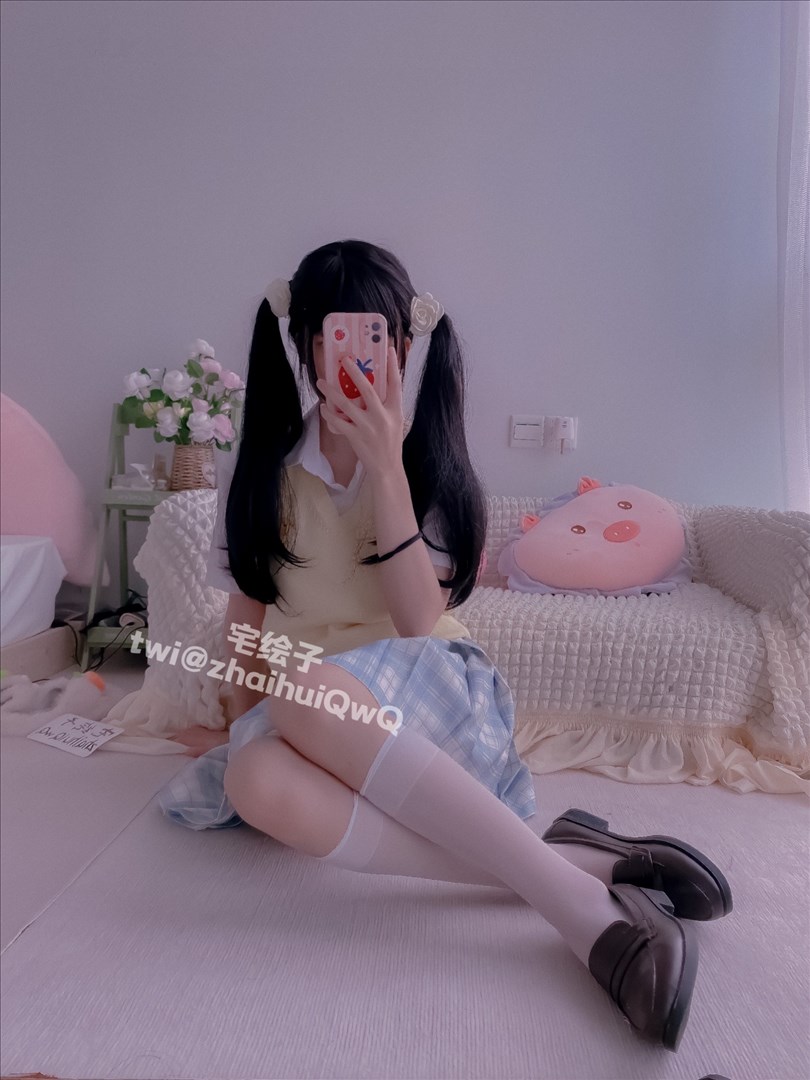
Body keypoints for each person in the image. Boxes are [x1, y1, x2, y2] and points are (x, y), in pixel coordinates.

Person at [158, 239, 732, 1053]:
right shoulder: (262, 472)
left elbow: (418, 622)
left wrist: (386, 468)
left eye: (378, 337)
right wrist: (235, 725)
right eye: (336, 336)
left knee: (302, 692)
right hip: (309, 721)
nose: (359, 357)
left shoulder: (425, 462)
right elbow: (247, 620)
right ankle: (585, 867)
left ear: (403, 344)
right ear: (307, 345)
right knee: (253, 778)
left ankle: (583, 915)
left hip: (428, 700)